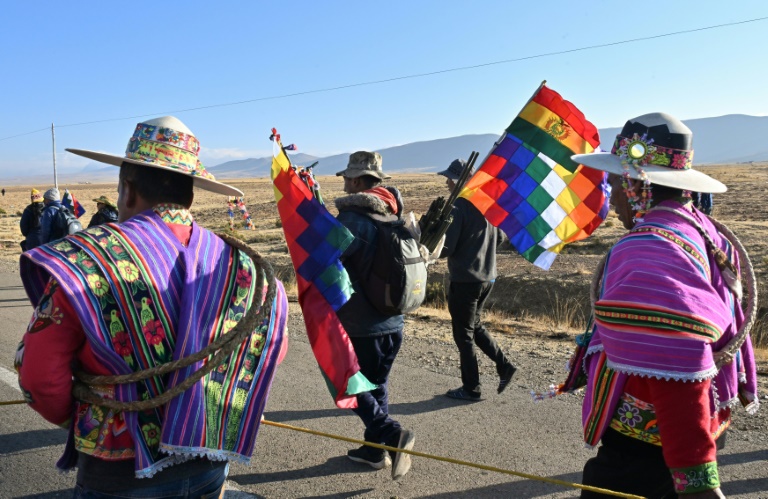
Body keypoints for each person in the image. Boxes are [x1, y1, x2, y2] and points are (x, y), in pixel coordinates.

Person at [14, 116, 289, 498]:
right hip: (208, 456)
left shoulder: (87, 262)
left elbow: (39, 376)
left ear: (127, 190)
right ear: (190, 195)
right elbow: (269, 347)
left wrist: (82, 417)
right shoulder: (246, 267)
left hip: (119, 470)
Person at [565, 113, 758, 498]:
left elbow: (677, 364)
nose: (613, 195)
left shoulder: (648, 250)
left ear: (638, 186)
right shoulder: (699, 226)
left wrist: (698, 483)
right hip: (700, 426)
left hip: (653, 452)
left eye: (616, 182)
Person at [333, 151, 415, 480]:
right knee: (376, 385)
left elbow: (325, 256)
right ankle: (373, 450)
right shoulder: (395, 214)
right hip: (394, 319)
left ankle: (392, 435)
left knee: (349, 383)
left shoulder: (353, 218)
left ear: (355, 180)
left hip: (362, 324)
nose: (344, 183)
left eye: (346, 178)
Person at [437, 159, 517, 402]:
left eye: (451, 178)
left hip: (466, 279)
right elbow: (502, 236)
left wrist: (430, 243)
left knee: (463, 335)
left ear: (461, 181)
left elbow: (446, 248)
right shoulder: (488, 204)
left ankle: (471, 388)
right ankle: (504, 366)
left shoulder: (459, 206)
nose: (448, 182)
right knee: (475, 326)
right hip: (487, 277)